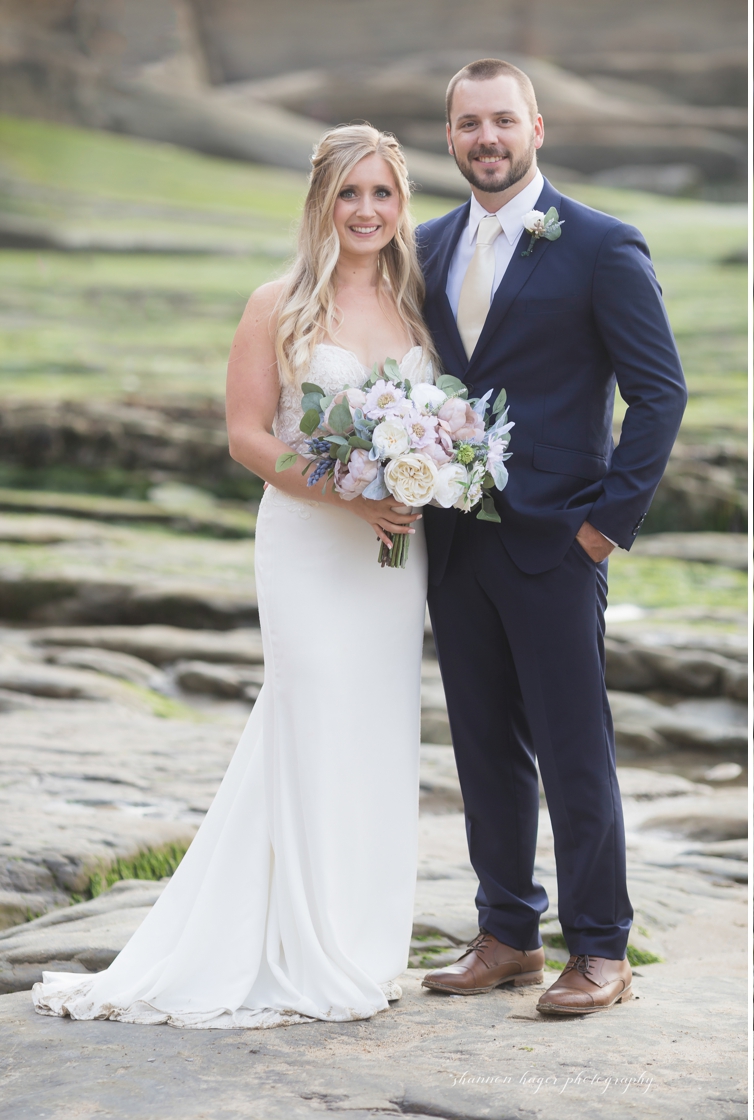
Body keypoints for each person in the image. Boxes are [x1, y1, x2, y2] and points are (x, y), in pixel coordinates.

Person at [31, 124, 435, 1028]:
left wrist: (417, 478)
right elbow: (248, 436)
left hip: (393, 555)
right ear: (321, 202)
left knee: (377, 724)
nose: (366, 211)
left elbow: (437, 420)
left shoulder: (418, 307)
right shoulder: (278, 302)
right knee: (309, 706)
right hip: (307, 538)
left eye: (383, 194)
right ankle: (288, 944)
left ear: (402, 204)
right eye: (349, 193)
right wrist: (350, 494)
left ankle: (358, 938)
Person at [413, 59, 687, 1015]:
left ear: (538, 127)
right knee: (482, 746)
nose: (485, 139)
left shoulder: (604, 245)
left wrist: (605, 527)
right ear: (449, 137)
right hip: (453, 540)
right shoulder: (426, 246)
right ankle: (507, 934)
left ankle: (602, 950)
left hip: (559, 542)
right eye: (467, 125)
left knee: (576, 749)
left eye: (502, 121)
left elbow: (660, 393)